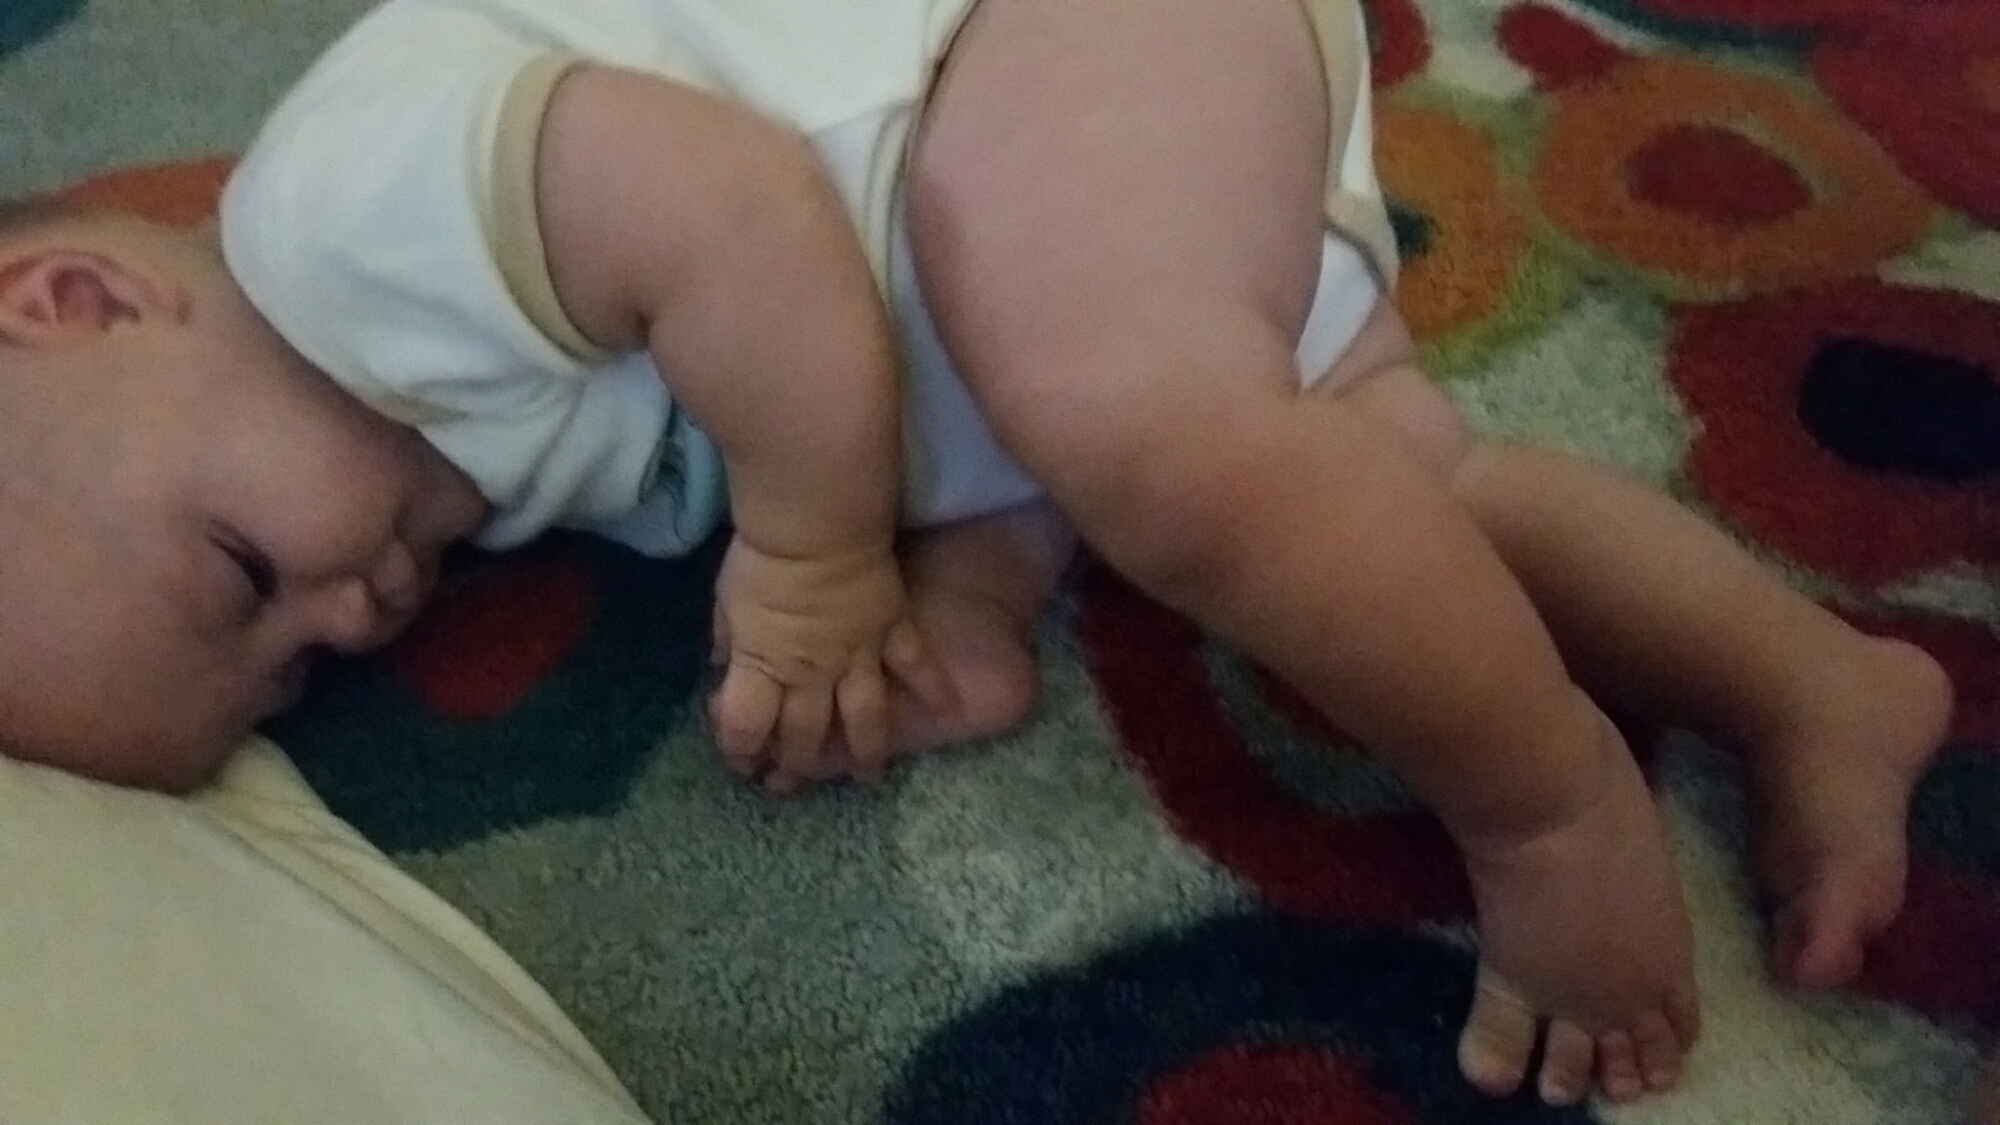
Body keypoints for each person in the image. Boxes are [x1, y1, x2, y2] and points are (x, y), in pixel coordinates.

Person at [0, 0, 1954, 1105]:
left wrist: (818, 555)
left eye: (240, 571)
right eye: (293, 669)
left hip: (1037, 43)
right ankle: (1808, 677)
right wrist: (975, 582)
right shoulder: (468, 461)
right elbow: (918, 361)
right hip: (1088, 200)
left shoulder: (337, 228)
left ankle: (1544, 810)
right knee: (1371, 506)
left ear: (76, 302)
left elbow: (739, 220)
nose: (355, 617)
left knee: (1141, 423)